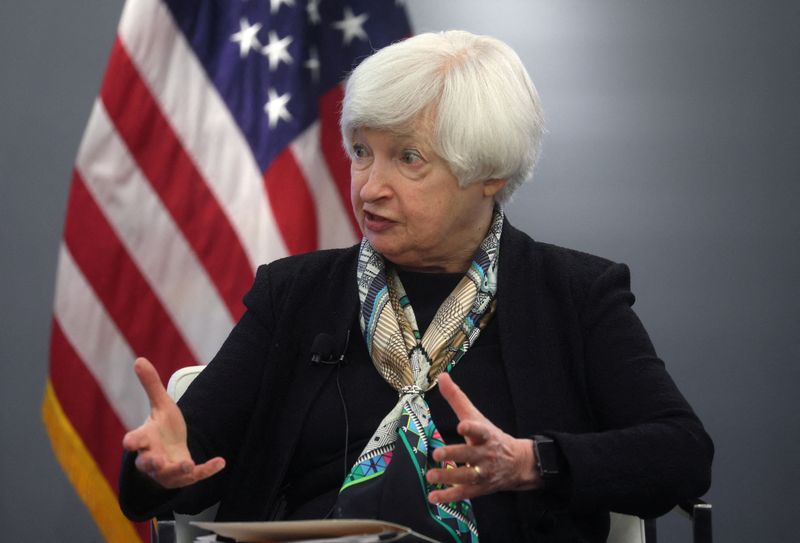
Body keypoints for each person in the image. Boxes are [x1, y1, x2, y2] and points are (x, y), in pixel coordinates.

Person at [119, 30, 713, 542]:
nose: (370, 187)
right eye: (360, 152)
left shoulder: (575, 295)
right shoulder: (294, 294)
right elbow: (185, 461)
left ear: (490, 173)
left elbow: (682, 455)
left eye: (408, 158)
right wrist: (157, 467)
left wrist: (533, 462)